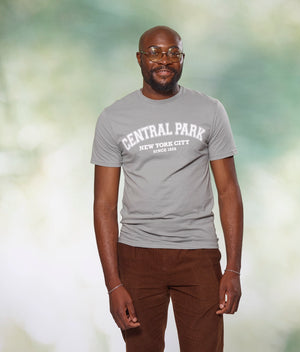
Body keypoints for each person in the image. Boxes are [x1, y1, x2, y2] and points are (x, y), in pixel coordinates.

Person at [91, 25, 243, 352]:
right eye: (155, 52)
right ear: (139, 58)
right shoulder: (113, 118)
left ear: (183, 58)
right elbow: (103, 204)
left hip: (198, 254)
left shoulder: (210, 111)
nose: (165, 60)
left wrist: (232, 268)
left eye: (174, 52)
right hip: (137, 255)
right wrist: (113, 284)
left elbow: (228, 190)